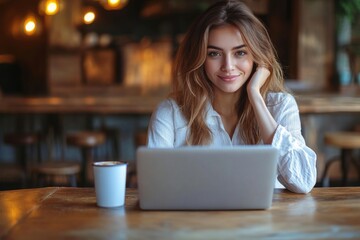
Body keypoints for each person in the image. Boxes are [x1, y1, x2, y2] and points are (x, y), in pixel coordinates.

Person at [146, 0, 317, 193]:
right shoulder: (170, 113)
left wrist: (256, 97)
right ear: (199, 58)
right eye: (214, 54)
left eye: (240, 53)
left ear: (257, 56)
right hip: (195, 221)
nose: (228, 66)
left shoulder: (280, 106)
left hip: (267, 222)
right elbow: (155, 189)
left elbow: (303, 181)